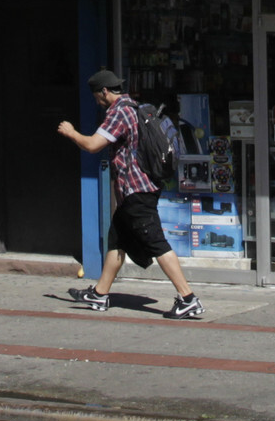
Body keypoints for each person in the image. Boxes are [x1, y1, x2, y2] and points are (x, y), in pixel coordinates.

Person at [59, 68, 205, 319]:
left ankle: (188, 298)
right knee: (118, 239)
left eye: (96, 96)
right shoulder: (135, 107)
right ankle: (100, 293)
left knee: (156, 243)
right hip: (136, 191)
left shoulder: (119, 113)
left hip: (137, 191)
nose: (96, 101)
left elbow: (93, 145)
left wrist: (71, 133)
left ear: (104, 92)